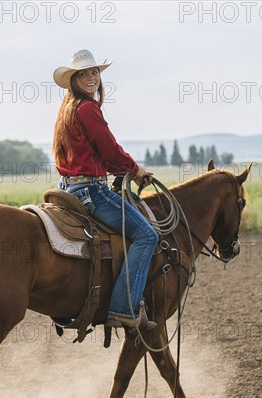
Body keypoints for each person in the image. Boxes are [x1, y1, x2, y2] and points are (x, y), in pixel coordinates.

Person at [52, 49, 158, 330]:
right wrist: (136, 171)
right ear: (74, 80)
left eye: (94, 72)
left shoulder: (68, 109)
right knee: (147, 235)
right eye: (83, 74)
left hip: (68, 188)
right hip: (91, 191)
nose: (91, 78)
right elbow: (109, 150)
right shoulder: (87, 108)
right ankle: (124, 308)